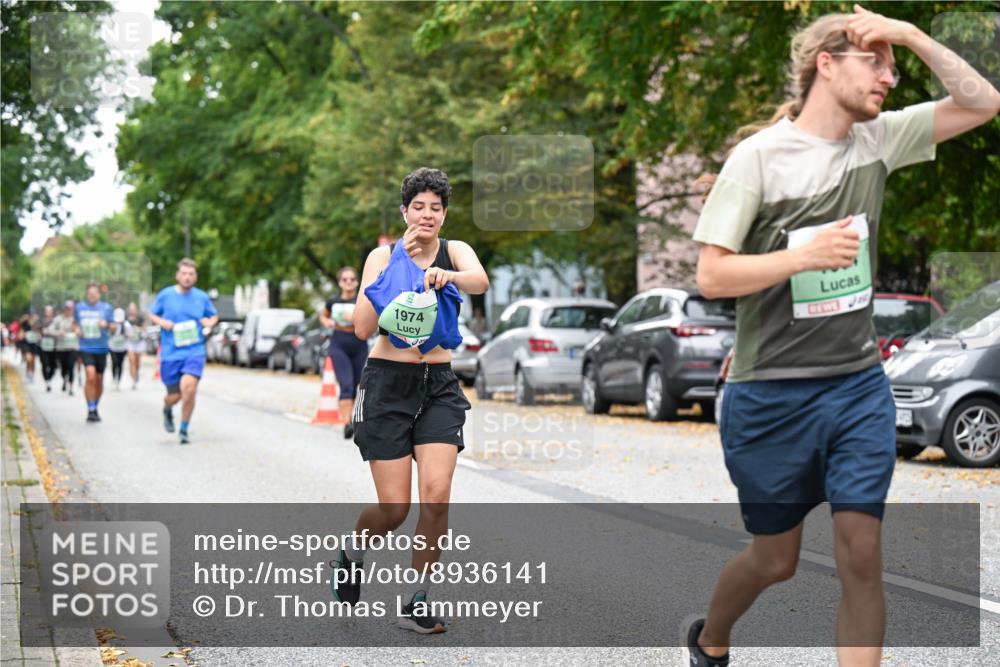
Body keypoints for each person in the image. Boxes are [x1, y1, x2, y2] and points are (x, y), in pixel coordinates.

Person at [687, 6, 999, 667]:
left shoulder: (878, 139)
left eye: (893, 65)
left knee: (862, 554)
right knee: (776, 560)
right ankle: (711, 637)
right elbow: (711, 275)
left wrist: (909, 35)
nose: (889, 78)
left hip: (856, 388)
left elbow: (983, 103)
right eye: (874, 62)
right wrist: (801, 258)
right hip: (768, 394)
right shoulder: (759, 158)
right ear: (825, 65)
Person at [330, 168, 489, 634]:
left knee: (436, 496)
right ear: (405, 212)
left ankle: (417, 600)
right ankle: (353, 552)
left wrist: (445, 273)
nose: (427, 215)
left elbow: (478, 281)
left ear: (444, 214)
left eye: (435, 208)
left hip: (438, 385)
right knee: (395, 510)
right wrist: (398, 258)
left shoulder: (456, 252)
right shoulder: (381, 256)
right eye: (418, 206)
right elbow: (361, 328)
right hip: (388, 384)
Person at [147, 258, 219, 445]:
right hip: (171, 353)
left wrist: (209, 322)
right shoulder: (166, 295)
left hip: (194, 351)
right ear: (178, 275)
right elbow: (152, 314)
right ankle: (167, 408)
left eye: (191, 274)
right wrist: (162, 322)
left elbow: (214, 315)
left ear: (195, 277)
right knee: (175, 396)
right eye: (184, 273)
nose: (187, 277)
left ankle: (184, 428)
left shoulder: (201, 297)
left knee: (189, 387)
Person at [319, 266, 368, 439]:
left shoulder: (362, 300)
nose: (348, 282)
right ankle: (347, 423)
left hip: (359, 343)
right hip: (339, 343)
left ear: (356, 282)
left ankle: (351, 418)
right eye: (345, 279)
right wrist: (327, 322)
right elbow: (323, 316)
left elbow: (370, 317)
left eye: (352, 279)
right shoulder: (333, 302)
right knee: (346, 383)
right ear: (340, 282)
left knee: (356, 384)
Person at [74, 284, 116, 422]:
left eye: (94, 293)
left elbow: (114, 327)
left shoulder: (106, 308)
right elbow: (74, 323)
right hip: (86, 347)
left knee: (99, 379)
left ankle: (95, 405)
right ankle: (90, 408)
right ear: (87, 294)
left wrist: (106, 325)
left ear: (99, 294)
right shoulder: (79, 307)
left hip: (102, 348)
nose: (92, 295)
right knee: (90, 375)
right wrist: (77, 330)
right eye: (89, 293)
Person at [51, 301, 79, 395]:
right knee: (63, 367)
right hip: (61, 347)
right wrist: (59, 332)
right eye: (67, 308)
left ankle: (71, 387)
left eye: (71, 308)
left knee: (71, 366)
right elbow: (50, 330)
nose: (69, 310)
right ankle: (64, 379)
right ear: (64, 309)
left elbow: (82, 330)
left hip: (73, 347)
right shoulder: (58, 319)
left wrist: (78, 331)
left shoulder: (76, 319)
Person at [123, 303, 146, 390]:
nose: (132, 310)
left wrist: (137, 328)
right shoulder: (126, 319)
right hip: (130, 342)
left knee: (137, 361)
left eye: (134, 309)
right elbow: (122, 330)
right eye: (131, 309)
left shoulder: (140, 318)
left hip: (139, 341)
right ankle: (133, 381)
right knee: (131, 360)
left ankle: (136, 373)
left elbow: (144, 328)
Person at [38, 305, 59, 392]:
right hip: (43, 346)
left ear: (52, 312)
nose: (48, 312)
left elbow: (60, 331)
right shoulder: (41, 321)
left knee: (54, 365)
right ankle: (47, 381)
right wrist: (41, 332)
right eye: (47, 310)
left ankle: (49, 378)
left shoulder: (56, 321)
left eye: (50, 311)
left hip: (54, 346)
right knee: (45, 364)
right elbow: (36, 330)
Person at [108, 308, 128, 390]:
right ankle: (113, 378)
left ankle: (118, 380)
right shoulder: (112, 324)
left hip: (122, 348)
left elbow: (130, 334)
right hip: (113, 347)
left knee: (120, 364)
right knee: (114, 362)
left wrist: (125, 334)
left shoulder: (126, 325)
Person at [19, 313, 40, 384]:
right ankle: (28, 374)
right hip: (26, 344)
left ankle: (31, 375)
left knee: (33, 361)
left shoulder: (37, 325)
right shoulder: (25, 324)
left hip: (34, 345)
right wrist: (24, 334)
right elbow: (20, 335)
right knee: (29, 359)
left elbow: (40, 334)